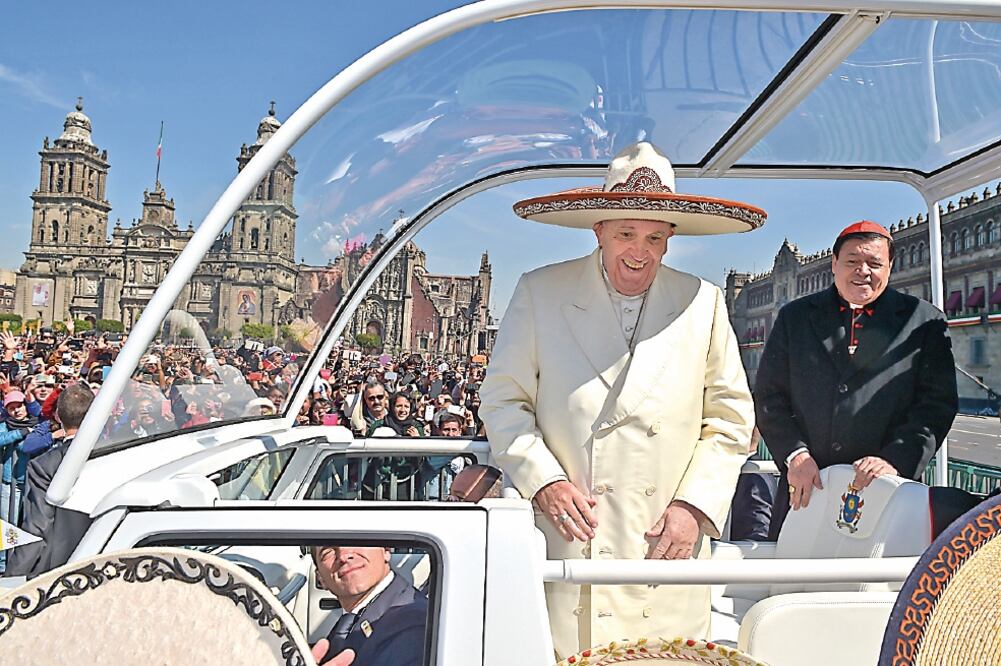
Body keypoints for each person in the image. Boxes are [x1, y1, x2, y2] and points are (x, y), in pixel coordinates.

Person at [479, 142, 761, 656]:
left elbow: (731, 419)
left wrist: (694, 507)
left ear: (670, 239)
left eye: (655, 237)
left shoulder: (704, 302)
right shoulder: (540, 291)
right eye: (626, 234)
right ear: (600, 231)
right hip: (569, 539)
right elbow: (503, 401)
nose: (640, 251)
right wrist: (543, 480)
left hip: (667, 544)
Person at [754, 220, 958, 541]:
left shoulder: (925, 321)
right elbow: (769, 397)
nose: (863, 271)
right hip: (808, 484)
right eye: (851, 262)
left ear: (890, 266)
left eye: (875, 263)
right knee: (793, 575)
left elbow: (935, 405)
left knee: (874, 586)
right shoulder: (795, 317)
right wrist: (795, 455)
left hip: (887, 490)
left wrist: (895, 460)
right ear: (834, 264)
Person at [7, 384, 96, 577]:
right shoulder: (122, 454)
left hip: (61, 568)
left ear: (58, 416)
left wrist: (12, 578)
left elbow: (38, 527)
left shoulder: (45, 465)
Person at [312, 545, 428, 666]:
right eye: (328, 551)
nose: (344, 556)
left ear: (386, 550)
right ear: (320, 578)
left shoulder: (413, 625)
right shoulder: (347, 625)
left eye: (356, 540)